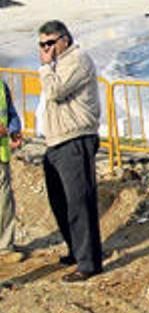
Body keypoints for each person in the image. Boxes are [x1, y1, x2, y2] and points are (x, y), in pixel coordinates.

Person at [37, 20, 103, 282]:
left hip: (75, 139)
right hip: (55, 141)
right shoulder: (55, 66)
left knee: (79, 203)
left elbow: (55, 91)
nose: (46, 49)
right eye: (42, 45)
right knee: (60, 202)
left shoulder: (77, 59)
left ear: (64, 39)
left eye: (50, 43)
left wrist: (44, 67)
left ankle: (89, 262)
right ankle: (76, 250)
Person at [0, 79, 23, 263]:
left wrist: (15, 130)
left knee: (4, 200)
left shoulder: (1, 84)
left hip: (2, 153)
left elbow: (9, 110)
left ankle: (5, 246)